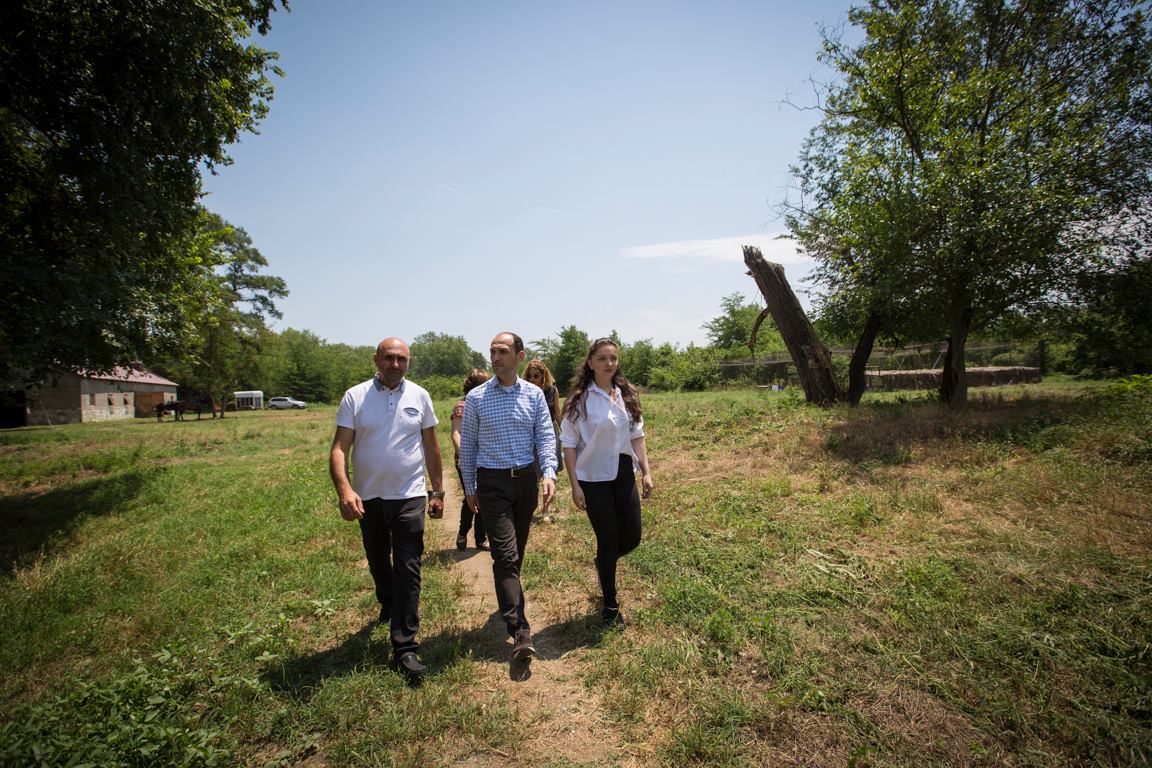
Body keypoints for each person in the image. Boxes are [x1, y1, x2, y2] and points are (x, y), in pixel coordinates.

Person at [329, 337, 445, 684]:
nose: (396, 364)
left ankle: (405, 646)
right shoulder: (355, 396)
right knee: (378, 558)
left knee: (409, 565)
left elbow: (431, 446)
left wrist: (437, 490)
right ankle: (388, 600)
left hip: (409, 495)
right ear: (376, 359)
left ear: (408, 362)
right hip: (368, 497)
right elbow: (339, 448)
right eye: (389, 358)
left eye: (402, 359)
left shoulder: (420, 396)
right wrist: (345, 489)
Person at [458, 332, 557, 662]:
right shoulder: (477, 398)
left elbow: (545, 436)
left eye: (502, 351)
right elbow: (468, 447)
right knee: (504, 555)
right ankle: (520, 630)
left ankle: (508, 598)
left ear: (520, 356)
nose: (496, 357)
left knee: (517, 553)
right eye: (492, 351)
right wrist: (470, 489)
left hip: (525, 481)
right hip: (492, 483)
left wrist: (549, 473)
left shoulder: (534, 394)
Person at [560, 337, 653, 627]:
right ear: (590, 363)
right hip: (593, 477)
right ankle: (610, 606)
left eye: (613, 358)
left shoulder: (627, 395)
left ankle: (604, 562)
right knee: (608, 538)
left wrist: (646, 472)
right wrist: (575, 485)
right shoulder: (580, 400)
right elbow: (569, 444)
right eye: (601, 358)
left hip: (624, 473)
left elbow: (637, 436)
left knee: (632, 537)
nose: (608, 363)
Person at [451, 368, 489, 551]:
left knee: (484, 497)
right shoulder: (462, 405)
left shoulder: (487, 403)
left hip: (485, 459)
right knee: (471, 495)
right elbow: (456, 433)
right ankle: (462, 532)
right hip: (466, 461)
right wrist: (466, 457)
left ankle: (481, 538)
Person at [524, 359, 565, 518]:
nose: (532, 379)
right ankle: (529, 508)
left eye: (536, 376)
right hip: (530, 435)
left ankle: (546, 510)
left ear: (543, 376)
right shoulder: (525, 392)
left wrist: (565, 434)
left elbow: (557, 414)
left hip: (550, 433)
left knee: (549, 472)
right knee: (532, 474)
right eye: (530, 376)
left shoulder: (552, 390)